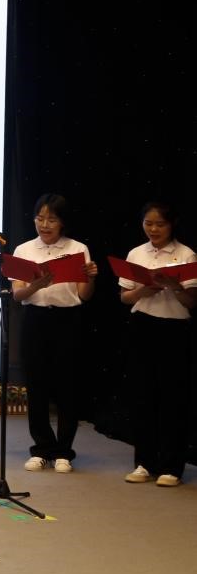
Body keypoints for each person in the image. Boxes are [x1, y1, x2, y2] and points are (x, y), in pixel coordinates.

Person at [10, 194, 97, 474]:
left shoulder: (77, 249)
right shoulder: (24, 249)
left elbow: (84, 295)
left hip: (67, 320)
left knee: (67, 386)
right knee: (36, 386)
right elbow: (17, 294)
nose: (44, 224)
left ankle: (63, 451)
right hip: (34, 319)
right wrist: (37, 284)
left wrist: (91, 277)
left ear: (62, 222)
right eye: (40, 218)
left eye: (52, 219)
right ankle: (41, 448)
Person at [117, 200, 197, 487]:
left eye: (160, 224)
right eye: (148, 223)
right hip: (143, 326)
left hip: (174, 329)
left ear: (171, 224)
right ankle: (144, 462)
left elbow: (191, 302)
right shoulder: (136, 253)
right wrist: (144, 290)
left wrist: (174, 286)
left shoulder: (186, 254)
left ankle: (172, 467)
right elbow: (124, 297)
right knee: (143, 396)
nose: (153, 229)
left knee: (173, 398)